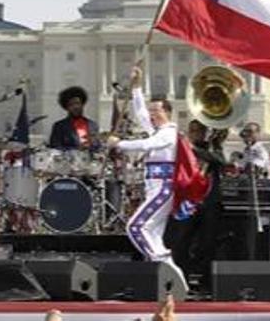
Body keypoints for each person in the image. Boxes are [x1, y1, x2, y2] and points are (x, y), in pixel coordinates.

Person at [107, 66, 186, 289]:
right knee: (152, 232)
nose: (152, 114)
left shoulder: (169, 133)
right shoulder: (156, 130)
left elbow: (147, 144)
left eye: (156, 111)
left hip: (164, 188)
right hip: (154, 187)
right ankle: (170, 277)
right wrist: (137, 86)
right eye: (152, 110)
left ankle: (161, 265)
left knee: (135, 226)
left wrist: (119, 144)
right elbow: (140, 112)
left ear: (167, 112)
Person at [165, 120, 226, 289]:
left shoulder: (212, 148)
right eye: (193, 130)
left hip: (209, 203)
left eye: (200, 130)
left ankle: (205, 280)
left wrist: (201, 148)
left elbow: (221, 162)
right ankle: (181, 279)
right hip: (188, 202)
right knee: (182, 241)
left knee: (208, 243)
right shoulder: (182, 149)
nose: (196, 133)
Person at [49, 86, 100, 151]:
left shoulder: (93, 125)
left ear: (82, 104)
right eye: (71, 104)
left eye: (78, 103)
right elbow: (55, 147)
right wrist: (76, 149)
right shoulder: (59, 126)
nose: (75, 107)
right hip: (69, 160)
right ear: (66, 108)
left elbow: (98, 146)